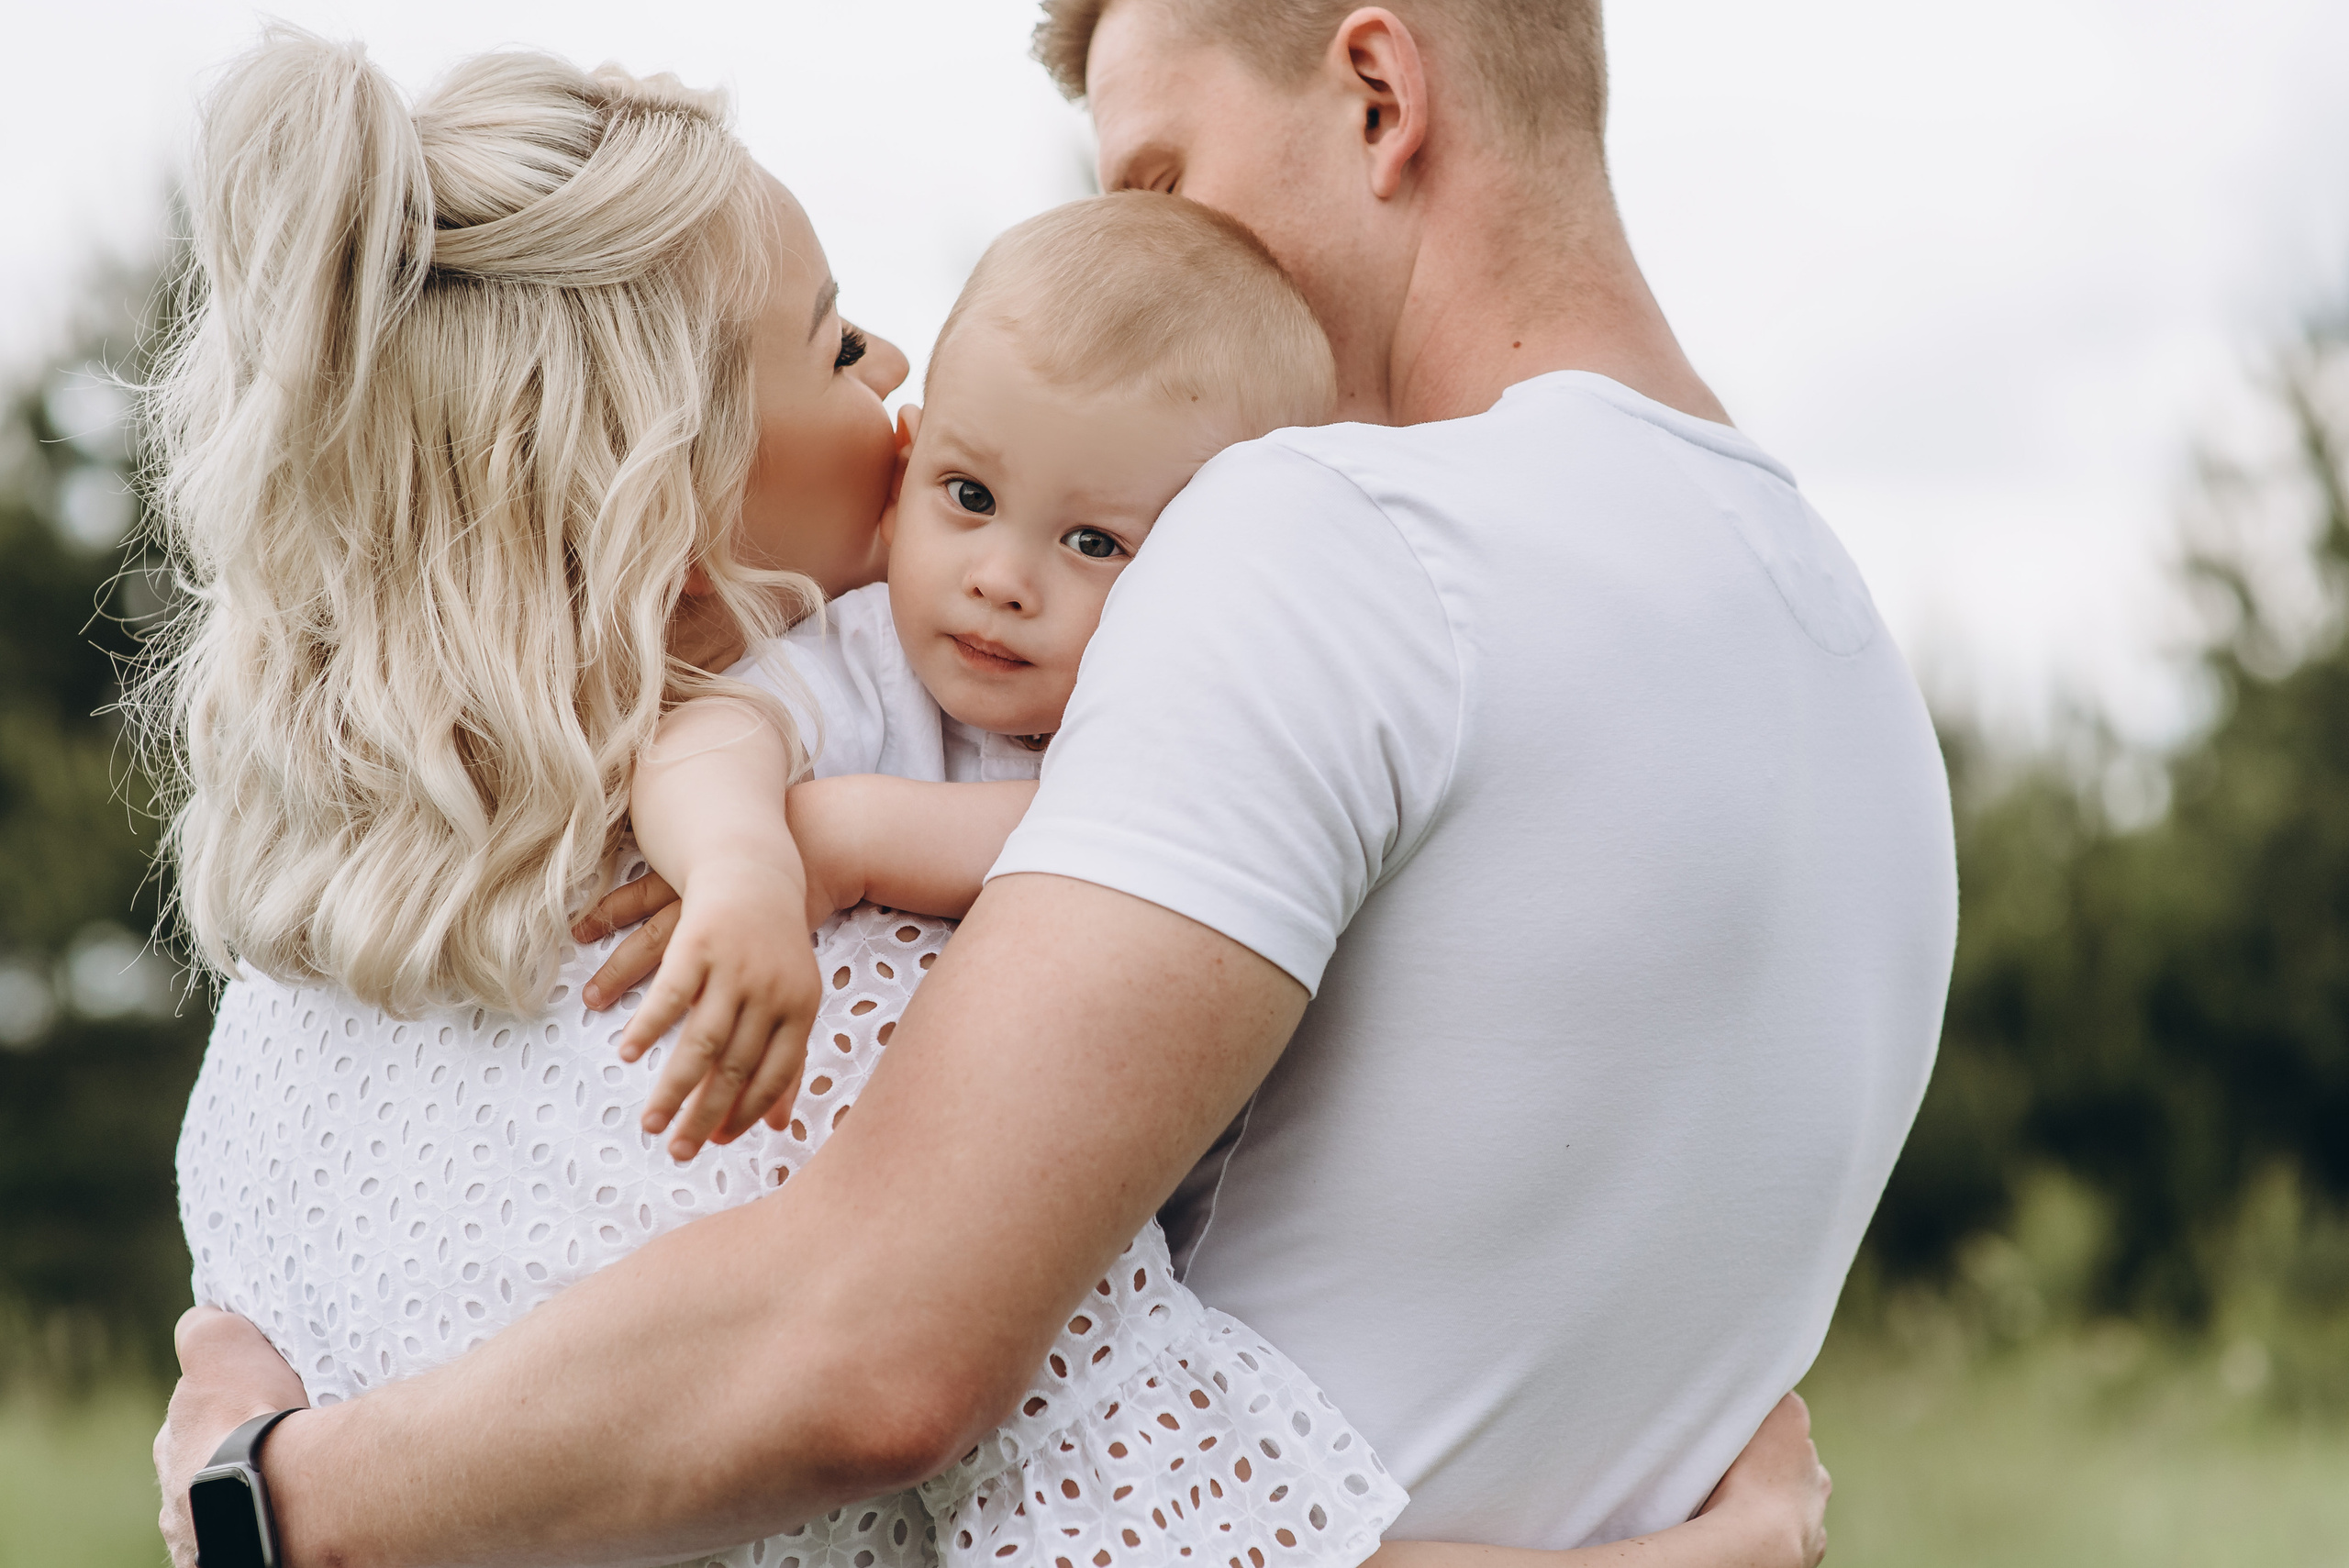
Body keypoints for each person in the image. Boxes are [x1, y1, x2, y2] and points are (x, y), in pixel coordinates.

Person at [161, 0, 1950, 1562]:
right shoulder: (1835, 646)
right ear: (665, 497)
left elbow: (887, 1372)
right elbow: (999, 1441)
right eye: (837, 339)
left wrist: (258, 1498)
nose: (1121, 277)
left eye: (1152, 183)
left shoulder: (279, 1011)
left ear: (1380, 99)